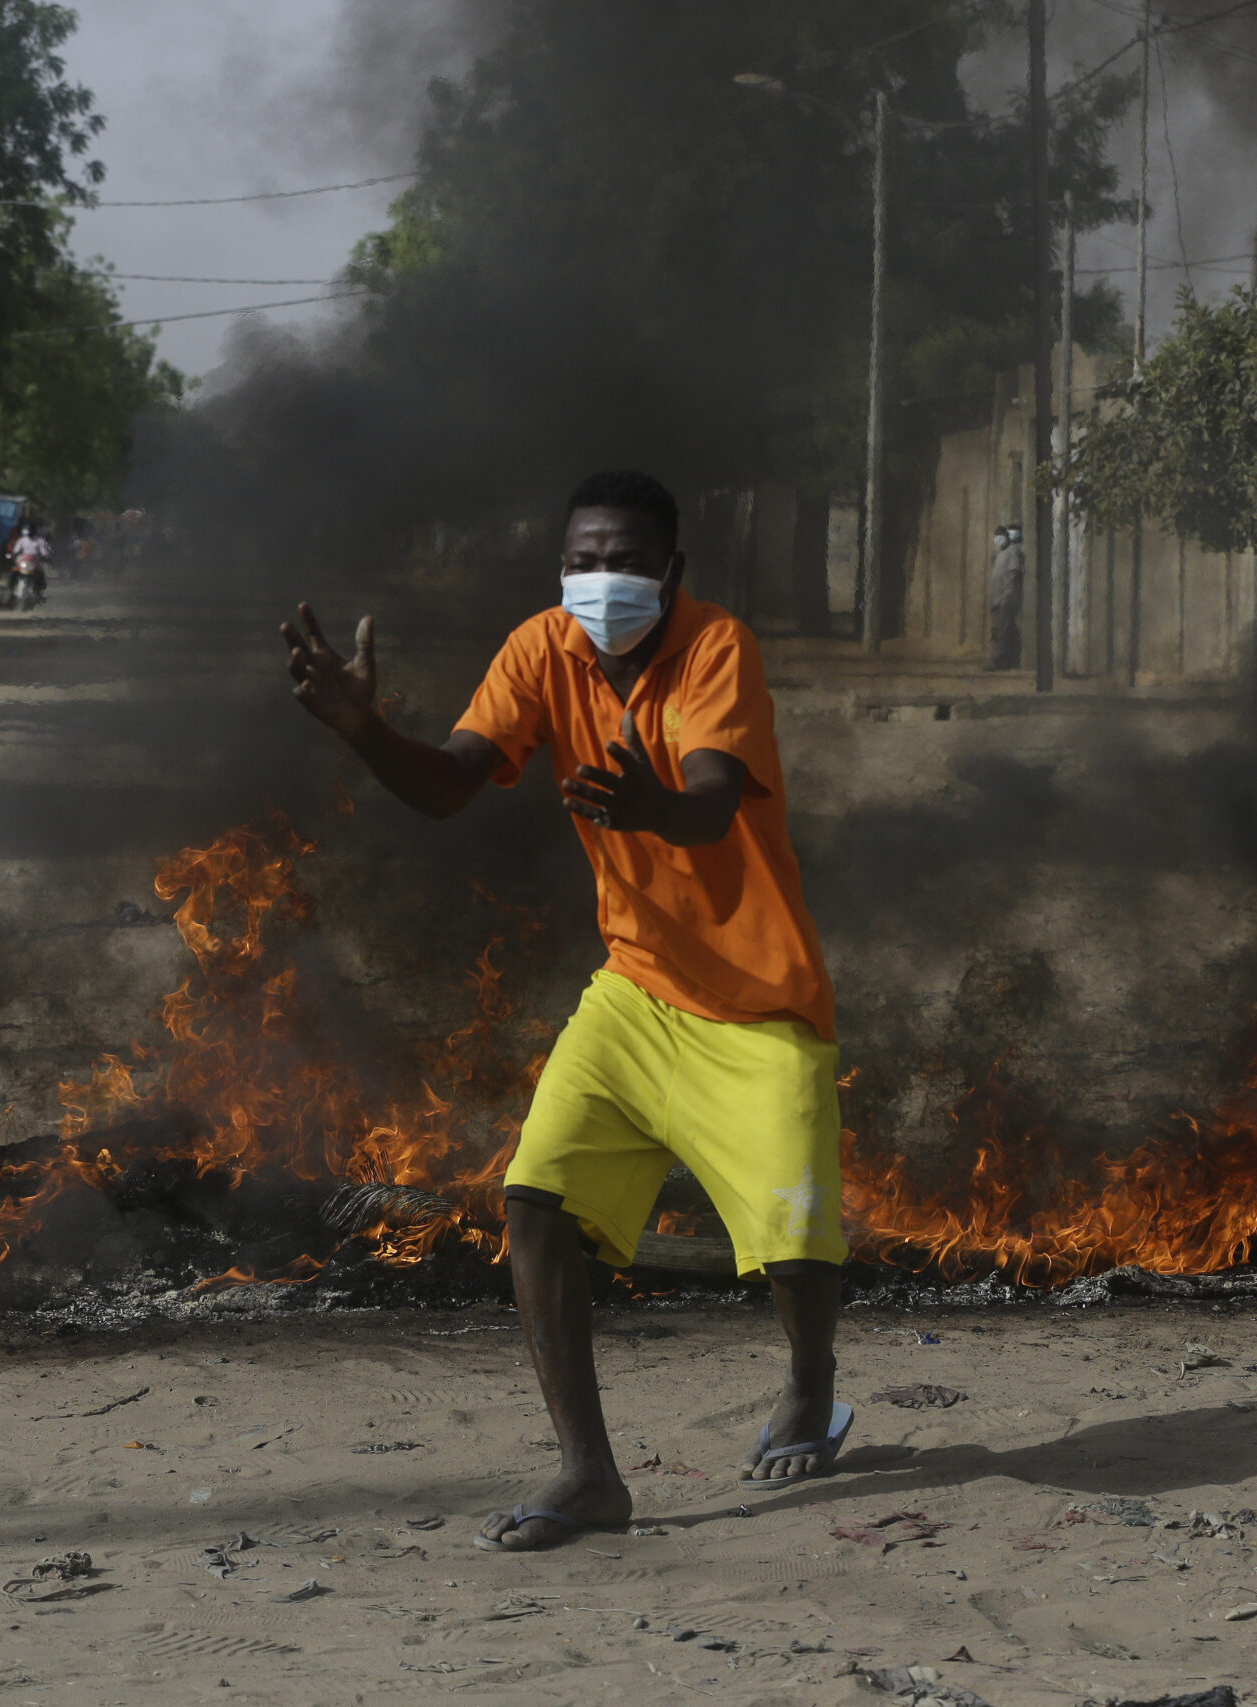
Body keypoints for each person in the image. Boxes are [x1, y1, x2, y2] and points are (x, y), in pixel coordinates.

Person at [282, 468, 850, 1554]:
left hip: (761, 996)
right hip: (635, 985)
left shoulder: (715, 646)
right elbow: (451, 781)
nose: (603, 579)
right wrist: (363, 729)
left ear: (670, 571)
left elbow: (715, 800)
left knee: (794, 1243)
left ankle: (811, 1385)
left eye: (627, 560)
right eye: (584, 559)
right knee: (533, 1201)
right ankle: (591, 1476)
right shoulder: (540, 647)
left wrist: (657, 806)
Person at [988, 523, 1025, 671]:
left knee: (1002, 631)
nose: (997, 539)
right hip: (999, 598)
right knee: (1006, 630)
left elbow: (1013, 576)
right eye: (996, 537)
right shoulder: (999, 554)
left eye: (1000, 536)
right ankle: (1011, 660)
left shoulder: (1012, 552)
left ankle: (998, 661)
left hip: (1007, 598)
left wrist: (1005, 597)